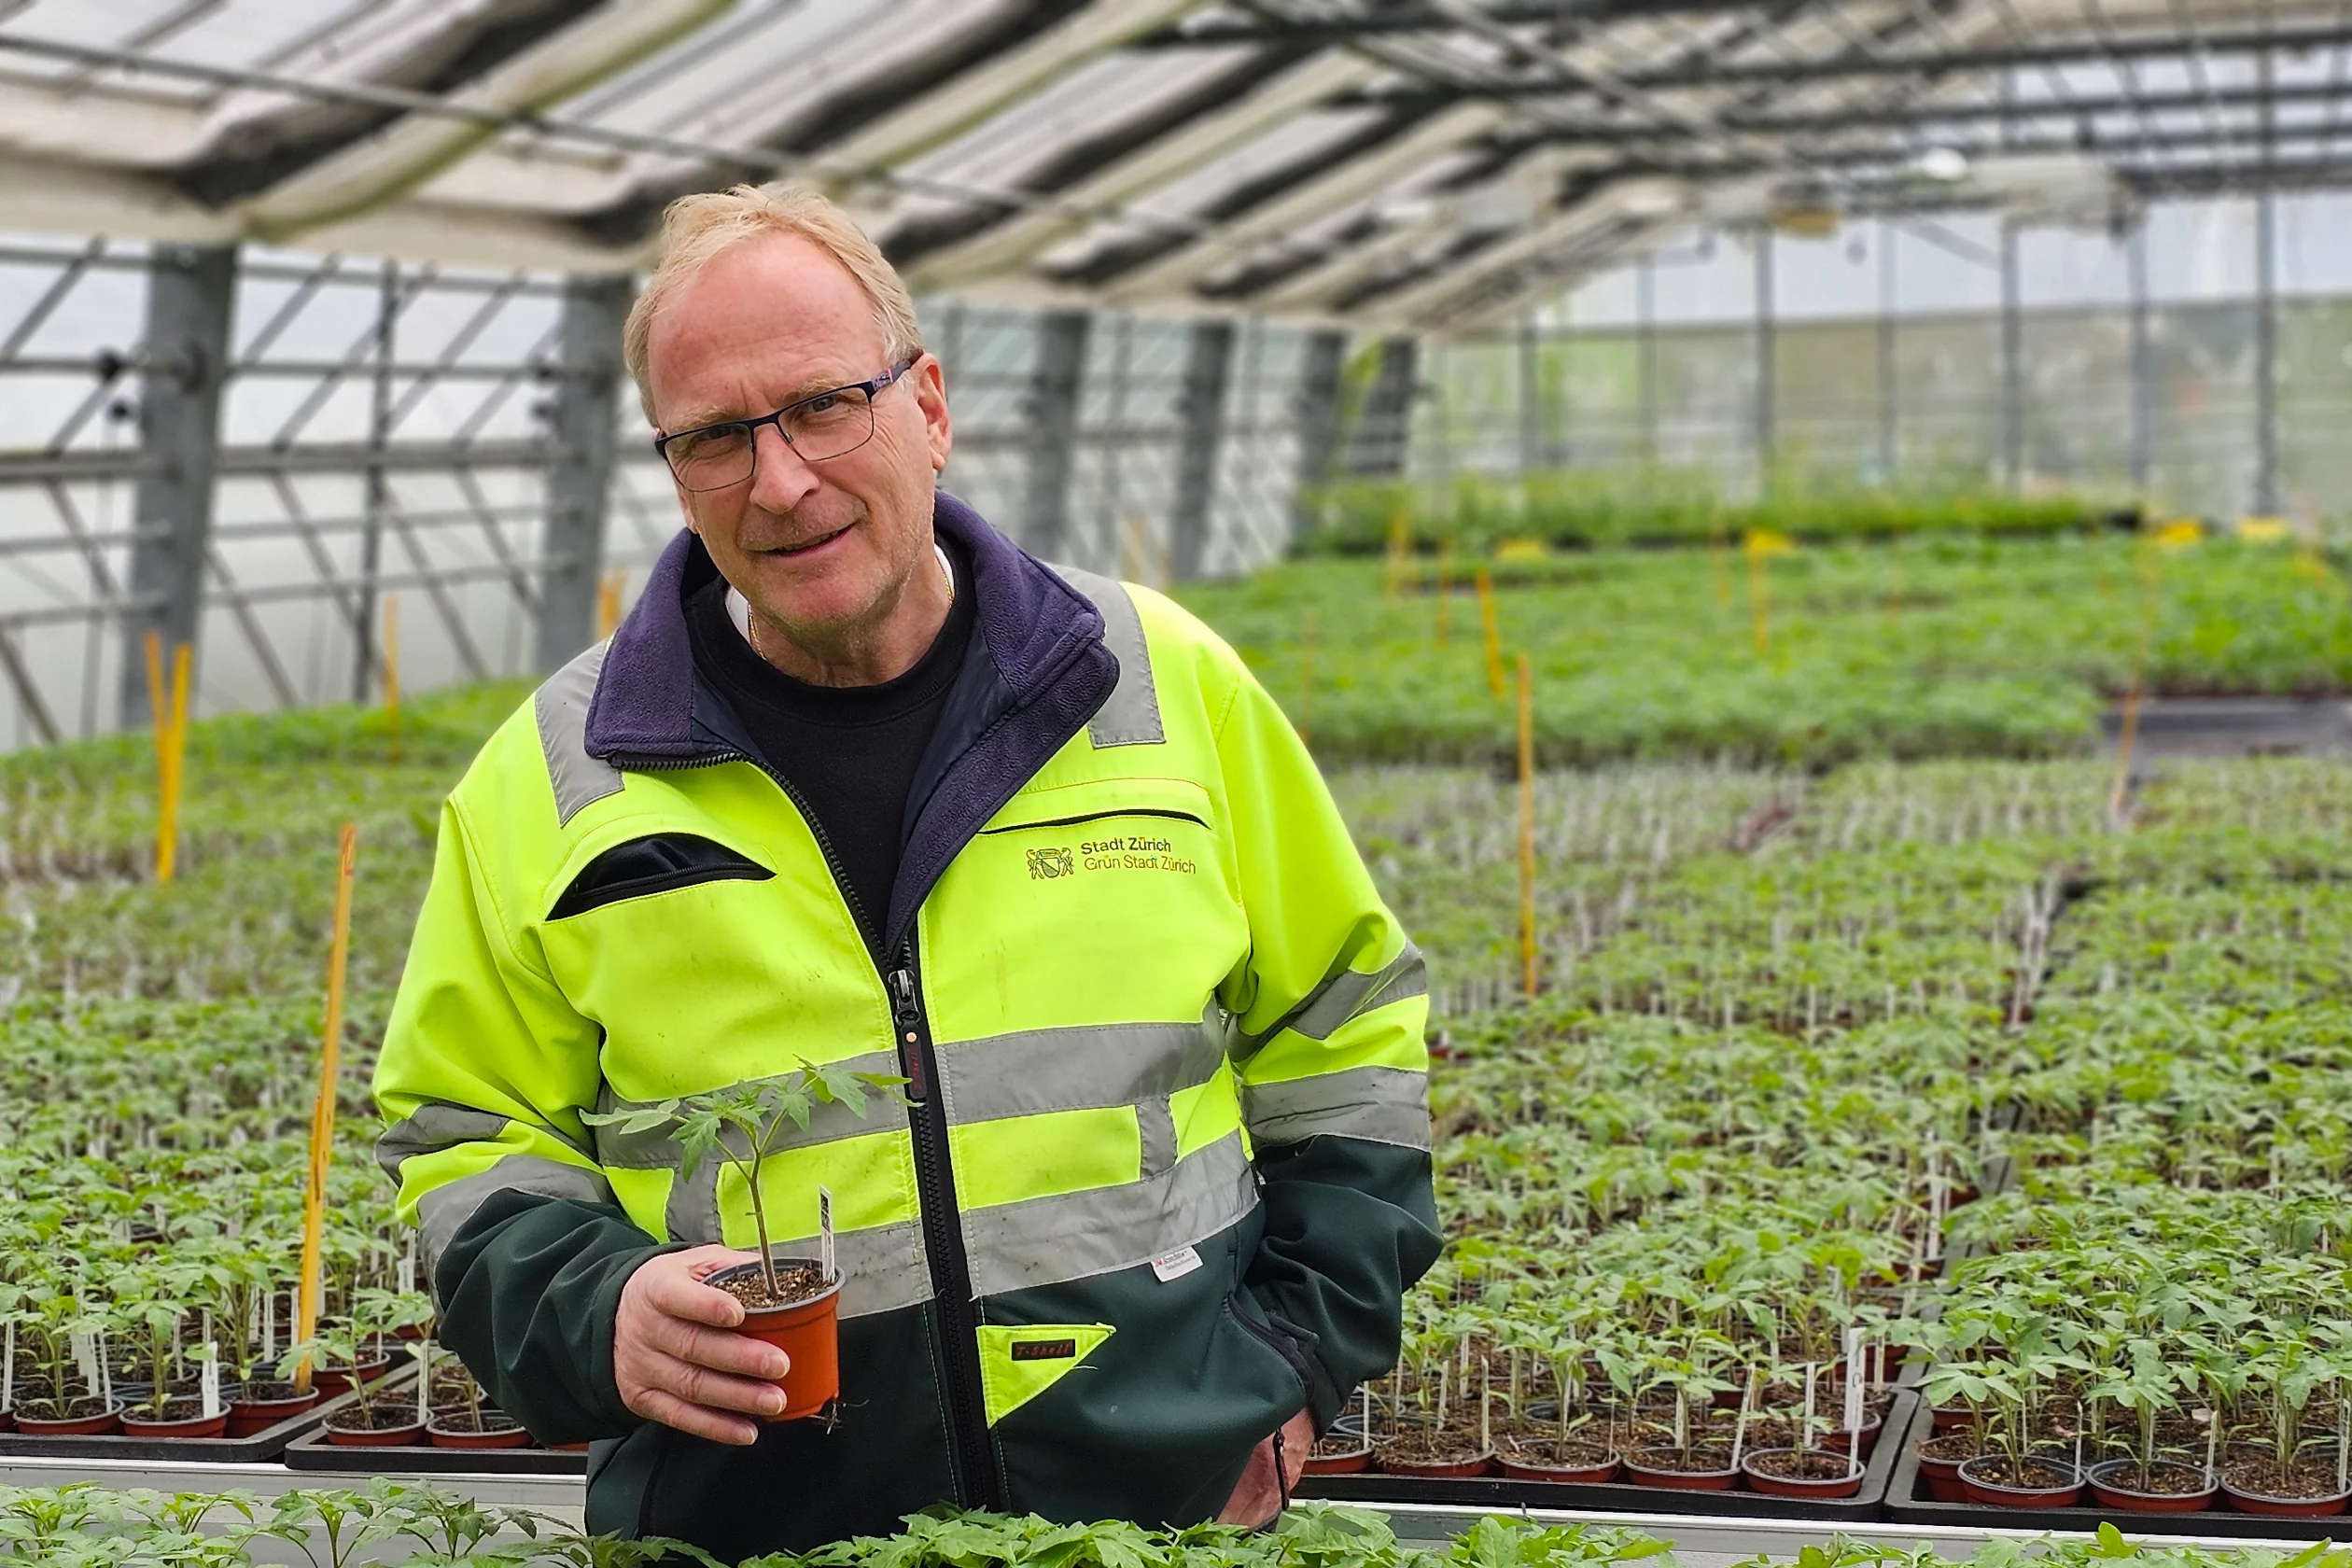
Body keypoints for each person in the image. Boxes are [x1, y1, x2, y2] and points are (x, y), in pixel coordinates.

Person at [372, 183, 1439, 1561]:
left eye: (824, 405)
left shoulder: (1157, 684)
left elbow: (1345, 1032)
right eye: (714, 438)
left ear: (928, 406)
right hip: (756, 1529)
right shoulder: (556, 777)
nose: (781, 481)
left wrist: (1287, 1362)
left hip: (1155, 1526)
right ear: (672, 467)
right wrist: (600, 1308)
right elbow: (466, 1131)